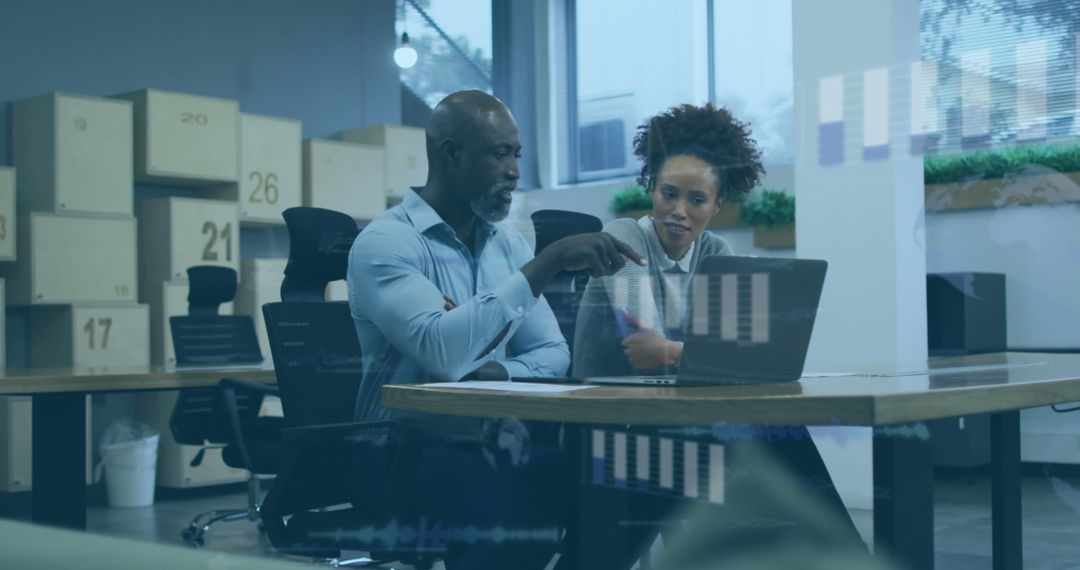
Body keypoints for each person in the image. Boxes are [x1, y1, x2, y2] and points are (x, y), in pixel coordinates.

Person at [346, 90, 645, 570]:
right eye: (500, 154)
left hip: (493, 440)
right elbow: (444, 353)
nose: (515, 171)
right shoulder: (385, 243)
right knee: (510, 505)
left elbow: (552, 352)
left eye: (517, 154)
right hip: (398, 452)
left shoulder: (505, 244)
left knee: (620, 487)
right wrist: (545, 264)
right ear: (450, 153)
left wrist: (494, 369)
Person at [571, 103, 866, 567]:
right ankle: (846, 553)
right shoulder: (623, 236)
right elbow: (643, 345)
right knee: (740, 443)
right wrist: (695, 353)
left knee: (769, 428)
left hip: (682, 425)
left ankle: (841, 553)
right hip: (612, 425)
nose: (679, 212)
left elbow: (731, 359)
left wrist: (685, 353)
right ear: (650, 185)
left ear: (717, 204)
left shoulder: (716, 251)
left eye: (697, 200)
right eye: (669, 193)